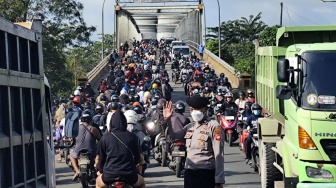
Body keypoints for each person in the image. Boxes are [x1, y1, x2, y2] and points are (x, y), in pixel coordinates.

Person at [163, 96, 225, 188]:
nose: (194, 112)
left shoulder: (214, 126)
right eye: (192, 109)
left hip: (206, 173)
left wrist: (219, 180)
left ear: (205, 109)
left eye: (198, 109)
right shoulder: (190, 127)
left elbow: (219, 154)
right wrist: (167, 120)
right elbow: (173, 138)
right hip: (189, 172)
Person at [95, 110, 146, 188]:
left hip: (109, 175)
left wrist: (99, 169)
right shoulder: (133, 137)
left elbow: (99, 159)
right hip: (129, 175)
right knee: (142, 183)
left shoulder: (105, 138)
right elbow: (139, 158)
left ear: (111, 123)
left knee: (98, 184)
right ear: (124, 123)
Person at [70, 111, 101, 181]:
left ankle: (77, 171)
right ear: (90, 119)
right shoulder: (93, 129)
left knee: (71, 155)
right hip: (92, 151)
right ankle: (97, 168)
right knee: (99, 155)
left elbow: (72, 139)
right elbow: (101, 141)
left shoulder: (76, 129)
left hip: (78, 151)